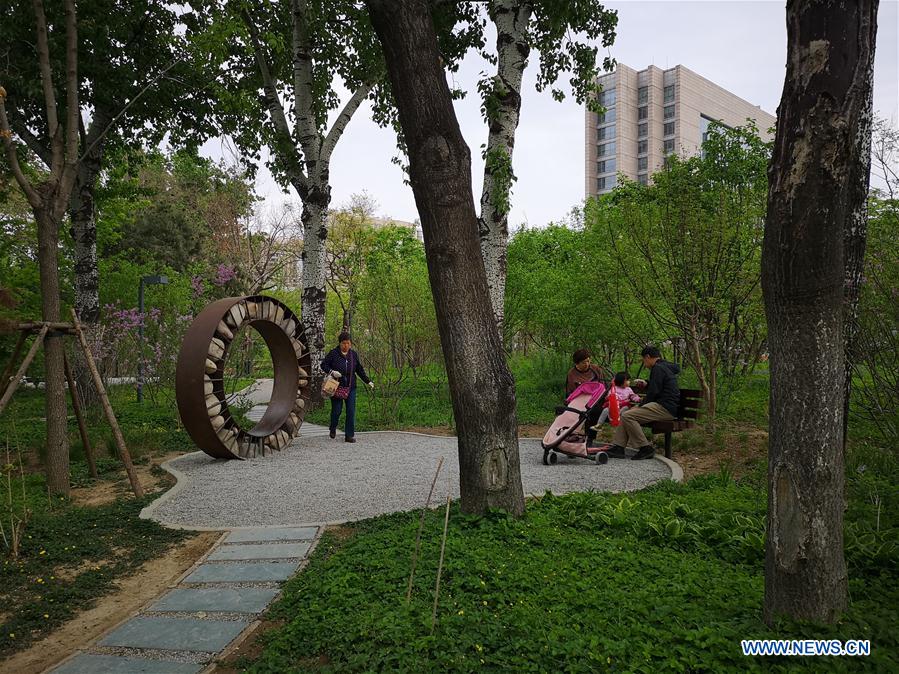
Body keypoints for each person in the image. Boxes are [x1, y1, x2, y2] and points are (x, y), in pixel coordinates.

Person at [604, 346, 680, 460]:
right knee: (627, 414)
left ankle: (645, 448)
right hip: (665, 405)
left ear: (648, 357)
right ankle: (618, 447)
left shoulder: (657, 368)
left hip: (664, 407)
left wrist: (640, 405)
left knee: (628, 415)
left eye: (643, 360)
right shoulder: (664, 367)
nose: (644, 363)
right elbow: (659, 386)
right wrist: (646, 384)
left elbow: (654, 392)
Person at [320, 332, 374, 443]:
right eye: (344, 343)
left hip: (350, 387)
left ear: (351, 343)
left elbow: (359, 369)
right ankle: (333, 427)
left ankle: (349, 435)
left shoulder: (353, 355)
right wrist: (332, 372)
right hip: (336, 387)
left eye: (348, 343)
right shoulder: (333, 354)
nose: (346, 345)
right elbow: (323, 365)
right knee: (337, 410)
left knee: (350, 411)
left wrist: (368, 381)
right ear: (340, 343)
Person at [565, 349, 608, 443]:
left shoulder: (596, 369)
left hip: (596, 399)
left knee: (594, 411)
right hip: (579, 400)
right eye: (584, 362)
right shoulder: (572, 374)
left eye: (588, 361)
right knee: (576, 412)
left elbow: (604, 386)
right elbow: (570, 392)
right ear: (577, 363)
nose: (587, 364)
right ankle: (571, 437)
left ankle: (590, 438)